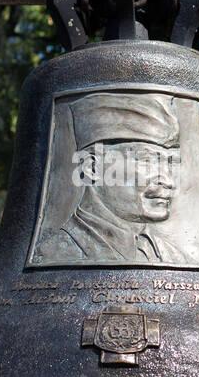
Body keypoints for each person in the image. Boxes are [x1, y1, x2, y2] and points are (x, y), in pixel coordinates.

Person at [34, 92, 190, 264]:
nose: (169, 181)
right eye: (147, 160)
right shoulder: (51, 254)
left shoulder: (175, 257)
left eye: (171, 163)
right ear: (91, 167)